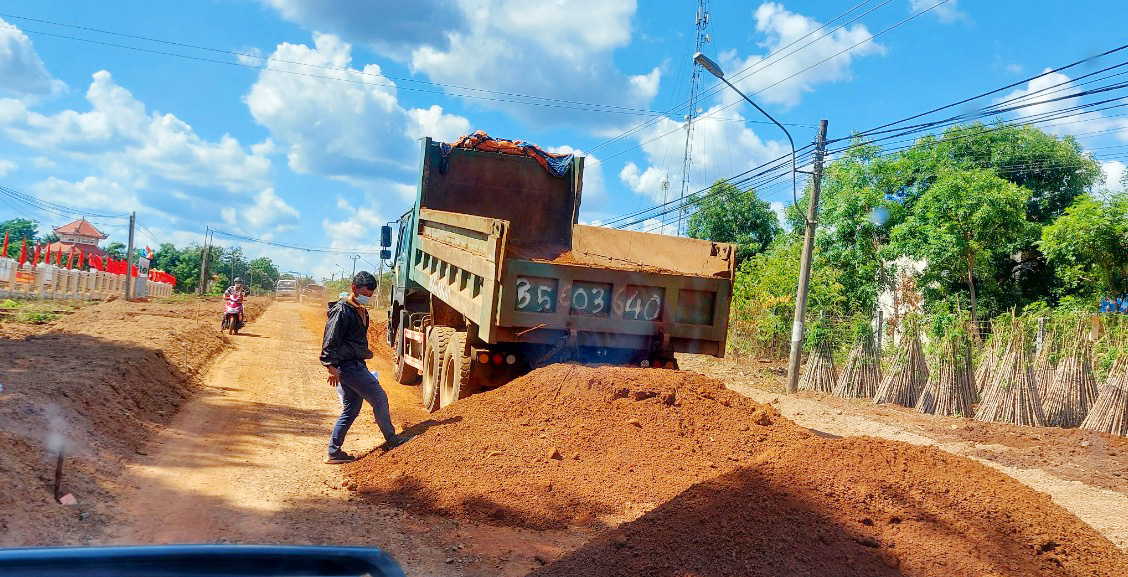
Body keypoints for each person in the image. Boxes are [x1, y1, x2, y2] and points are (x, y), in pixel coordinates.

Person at [321, 271, 406, 463]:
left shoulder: (360, 310)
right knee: (379, 397)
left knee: (351, 409)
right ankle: (392, 439)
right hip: (348, 366)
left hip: (355, 363)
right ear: (354, 289)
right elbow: (330, 338)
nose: (368, 298)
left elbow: (352, 339)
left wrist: (365, 352)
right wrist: (330, 366)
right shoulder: (342, 310)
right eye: (365, 294)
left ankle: (334, 452)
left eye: (370, 295)